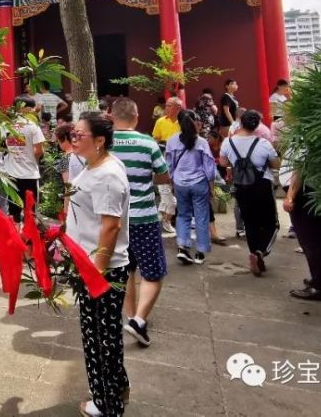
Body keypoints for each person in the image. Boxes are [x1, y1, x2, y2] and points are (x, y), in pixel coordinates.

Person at [67, 112, 130, 417]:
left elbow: (110, 226)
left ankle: (106, 405)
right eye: (73, 133)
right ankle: (117, 388)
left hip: (99, 269)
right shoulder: (96, 165)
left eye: (79, 134)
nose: (73, 139)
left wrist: (97, 272)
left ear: (100, 140)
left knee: (99, 340)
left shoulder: (107, 175)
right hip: (90, 264)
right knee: (106, 334)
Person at [109, 98, 169, 348]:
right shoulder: (147, 142)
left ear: (111, 117)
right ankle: (139, 319)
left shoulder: (105, 143)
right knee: (153, 271)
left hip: (115, 219)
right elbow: (163, 176)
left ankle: (131, 316)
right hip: (143, 217)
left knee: (126, 269)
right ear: (136, 117)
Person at [219, 110, 281, 277]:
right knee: (271, 223)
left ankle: (254, 253)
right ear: (257, 125)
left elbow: (223, 162)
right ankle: (261, 252)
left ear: (241, 123)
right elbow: (276, 164)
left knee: (250, 222)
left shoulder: (228, 142)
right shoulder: (263, 143)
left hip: (240, 186)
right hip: (262, 186)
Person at [284, 165, 321, 302]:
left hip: (306, 192)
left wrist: (290, 196)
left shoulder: (304, 144)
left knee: (312, 241)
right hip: (317, 190)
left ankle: (320, 287)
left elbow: (300, 167)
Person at [165, 110, 216, 266]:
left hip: (180, 183)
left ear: (178, 123)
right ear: (195, 122)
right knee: (201, 216)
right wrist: (212, 188)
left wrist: (172, 183)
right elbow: (209, 168)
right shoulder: (201, 142)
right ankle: (200, 253)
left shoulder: (171, 141)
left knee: (183, 215)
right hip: (199, 183)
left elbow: (169, 165)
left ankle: (182, 247)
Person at [0, 95, 46, 223]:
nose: (33, 110)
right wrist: (31, 157)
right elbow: (39, 150)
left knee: (13, 211)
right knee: (30, 212)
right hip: (29, 175)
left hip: (11, 175)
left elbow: (1, 146)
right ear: (24, 109)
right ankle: (28, 240)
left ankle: (15, 240)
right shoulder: (33, 126)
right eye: (31, 108)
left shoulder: (6, 125)